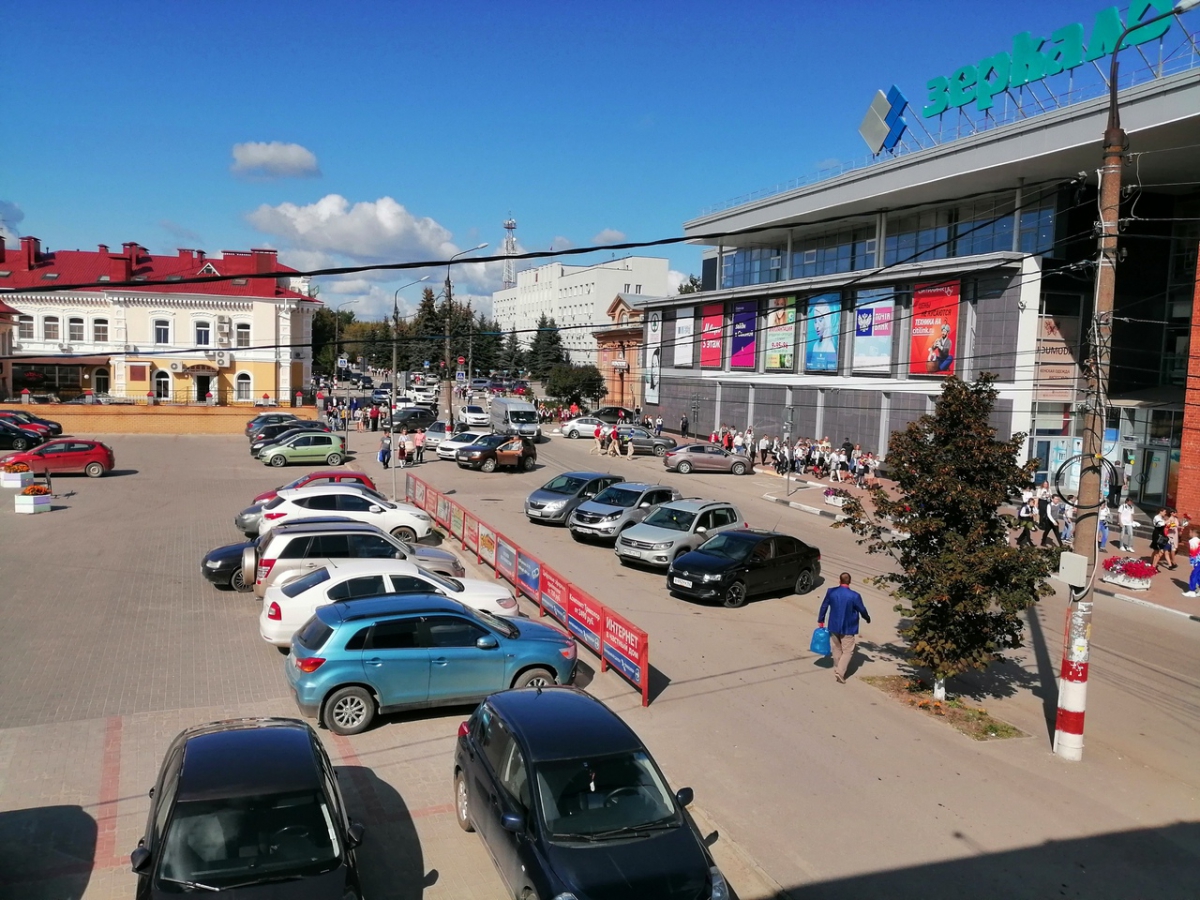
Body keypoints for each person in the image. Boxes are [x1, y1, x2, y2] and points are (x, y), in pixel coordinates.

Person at [817, 573, 871, 684]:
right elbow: (862, 609)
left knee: (836, 648)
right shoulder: (855, 596)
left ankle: (837, 668)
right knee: (848, 651)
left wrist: (821, 620)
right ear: (849, 581)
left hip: (833, 625)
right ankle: (840, 672)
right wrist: (867, 618)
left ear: (839, 581)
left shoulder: (831, 592)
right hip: (848, 627)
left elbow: (824, 606)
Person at [1184, 528, 1200, 597]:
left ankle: (1192, 591)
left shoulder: (1192, 541)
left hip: (1196, 561)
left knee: (1193, 575)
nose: (1189, 534)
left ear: (1193, 533)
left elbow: (1193, 553)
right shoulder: (1199, 540)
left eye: (1190, 532)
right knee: (1198, 575)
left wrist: (1192, 563)